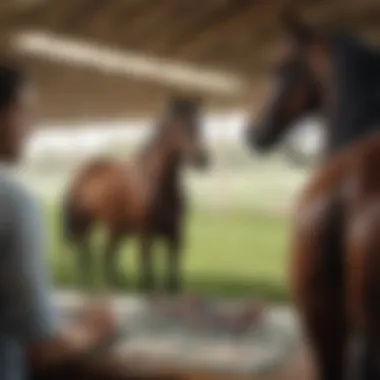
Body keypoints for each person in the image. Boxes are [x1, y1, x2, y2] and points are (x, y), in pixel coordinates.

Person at [0, 62, 118, 380]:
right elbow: (45, 351)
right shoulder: (14, 204)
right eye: (25, 110)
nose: (32, 126)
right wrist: (94, 330)